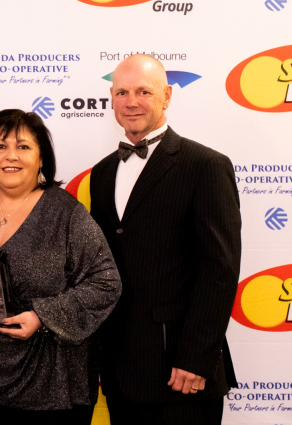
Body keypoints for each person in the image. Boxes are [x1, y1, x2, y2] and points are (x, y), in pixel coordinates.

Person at [89, 54, 241, 424]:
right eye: (122, 92)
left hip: (182, 372)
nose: (131, 101)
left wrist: (195, 358)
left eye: (144, 91)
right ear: (111, 97)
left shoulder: (204, 165)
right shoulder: (103, 171)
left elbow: (219, 269)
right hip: (120, 370)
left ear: (167, 96)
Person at [0, 109, 121, 424]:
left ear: (42, 159)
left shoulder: (66, 214)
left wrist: (43, 316)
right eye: (0, 147)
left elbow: (105, 283)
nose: (11, 156)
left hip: (50, 390)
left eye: (23, 147)